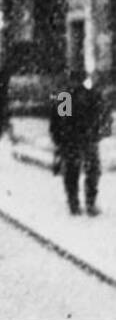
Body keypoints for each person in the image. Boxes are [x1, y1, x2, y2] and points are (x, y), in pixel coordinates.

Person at [50, 70, 111, 216]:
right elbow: (101, 116)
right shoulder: (91, 94)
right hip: (86, 138)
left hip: (72, 139)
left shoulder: (65, 96)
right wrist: (96, 132)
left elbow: (60, 121)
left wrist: (59, 139)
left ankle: (74, 203)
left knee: (73, 172)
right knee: (91, 171)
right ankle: (89, 203)